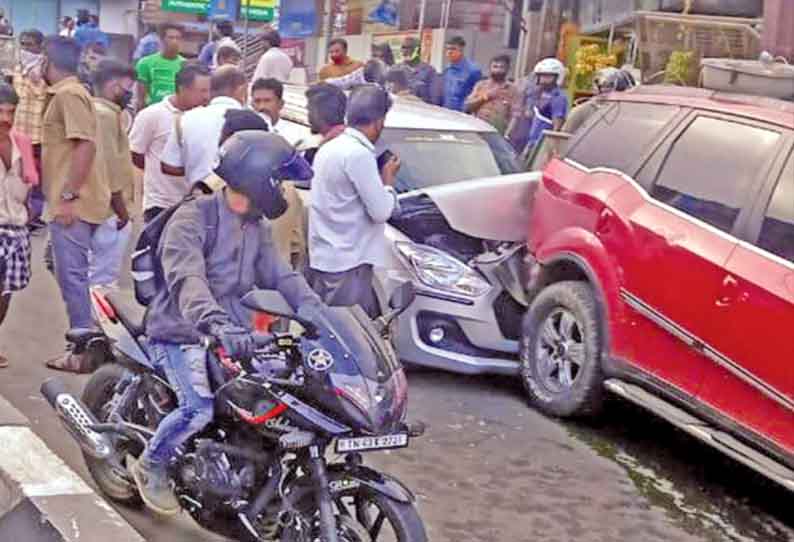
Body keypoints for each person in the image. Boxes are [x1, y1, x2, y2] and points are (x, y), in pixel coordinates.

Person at [131, 130, 321, 515]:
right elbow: (188, 280)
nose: (282, 191)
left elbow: (281, 277)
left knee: (280, 405)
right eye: (278, 182)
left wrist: (319, 311)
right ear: (256, 177)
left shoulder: (256, 226)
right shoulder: (193, 217)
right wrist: (215, 324)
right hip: (181, 331)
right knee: (197, 408)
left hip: (234, 337)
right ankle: (150, 464)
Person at [38, 37, 104, 372]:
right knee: (59, 265)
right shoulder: (69, 94)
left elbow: (85, 146)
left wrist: (67, 196)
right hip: (68, 203)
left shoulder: (68, 95)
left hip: (73, 207)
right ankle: (92, 333)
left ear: (49, 60)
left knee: (73, 276)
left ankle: (82, 351)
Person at [308, 85, 401, 317]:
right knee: (348, 334)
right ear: (379, 121)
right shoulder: (358, 154)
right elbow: (380, 212)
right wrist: (388, 181)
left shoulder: (330, 149)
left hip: (326, 257)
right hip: (349, 263)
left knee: (329, 329)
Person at [130, 63, 211, 224]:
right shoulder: (152, 115)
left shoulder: (208, 118)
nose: (206, 97)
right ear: (182, 89)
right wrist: (158, 173)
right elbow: (136, 154)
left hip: (196, 204)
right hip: (161, 204)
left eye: (209, 91)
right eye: (201, 91)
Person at [89, 60, 136, 289]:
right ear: (114, 85)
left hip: (105, 208)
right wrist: (122, 210)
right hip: (110, 210)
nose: (130, 93)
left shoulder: (101, 112)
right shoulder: (104, 116)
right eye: (128, 87)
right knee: (103, 281)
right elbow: (109, 168)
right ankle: (94, 324)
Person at [161, 65, 247, 190]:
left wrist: (195, 168)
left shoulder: (185, 119)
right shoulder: (255, 121)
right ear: (241, 89)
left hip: (199, 199)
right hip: (238, 202)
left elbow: (168, 165)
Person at [0, 84, 37, 368]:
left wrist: (29, 205)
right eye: (0, 111)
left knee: (6, 294)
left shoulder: (21, 142)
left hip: (16, 228)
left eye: (10, 111)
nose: (6, 117)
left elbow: (31, 181)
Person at [13, 30, 47, 229]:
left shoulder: (45, 69)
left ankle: (35, 216)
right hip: (18, 131)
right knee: (18, 176)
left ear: (40, 46)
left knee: (37, 179)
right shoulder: (17, 67)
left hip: (38, 135)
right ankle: (21, 213)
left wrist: (36, 81)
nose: (26, 49)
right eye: (23, 44)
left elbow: (45, 97)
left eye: (30, 45)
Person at [521, 58, 568, 156]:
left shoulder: (558, 97)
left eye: (547, 76)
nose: (543, 79)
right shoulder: (537, 93)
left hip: (543, 146)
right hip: (530, 142)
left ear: (557, 77)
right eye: (541, 75)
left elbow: (557, 126)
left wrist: (551, 148)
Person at [136, 23, 185, 109]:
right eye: (171, 38)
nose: (175, 41)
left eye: (178, 38)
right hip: (152, 110)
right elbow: (140, 98)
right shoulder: (145, 63)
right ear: (161, 40)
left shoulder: (185, 65)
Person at [464, 54, 517, 134]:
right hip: (479, 129)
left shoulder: (512, 89)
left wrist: (507, 135)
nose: (498, 70)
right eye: (495, 67)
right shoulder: (481, 85)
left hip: (498, 132)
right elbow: (467, 107)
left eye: (501, 67)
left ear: (507, 70)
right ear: (490, 68)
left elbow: (515, 116)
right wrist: (485, 97)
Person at [250, 77, 302, 145]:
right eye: (257, 101)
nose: (262, 106)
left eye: (267, 101)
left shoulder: (295, 134)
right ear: (252, 104)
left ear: (280, 104)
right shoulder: (244, 132)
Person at [442, 36, 482, 112]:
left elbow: (477, 96)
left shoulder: (473, 70)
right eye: (447, 49)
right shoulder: (447, 69)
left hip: (463, 114)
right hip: (445, 112)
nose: (449, 52)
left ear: (461, 50)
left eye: (453, 49)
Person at [399, 36, 437, 103]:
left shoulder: (429, 71)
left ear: (418, 50)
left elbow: (434, 100)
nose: (404, 51)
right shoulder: (396, 69)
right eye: (403, 47)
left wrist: (418, 100)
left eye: (408, 48)